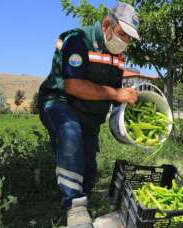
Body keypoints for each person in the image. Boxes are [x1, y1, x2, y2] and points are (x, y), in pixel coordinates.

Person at [37, 2, 140, 227]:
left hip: (89, 113)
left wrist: (128, 112)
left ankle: (82, 198)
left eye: (129, 38)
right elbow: (73, 85)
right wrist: (117, 93)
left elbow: (114, 95)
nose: (125, 41)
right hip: (60, 103)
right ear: (107, 25)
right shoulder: (77, 39)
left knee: (88, 168)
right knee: (70, 133)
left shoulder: (119, 56)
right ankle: (74, 206)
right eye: (122, 34)